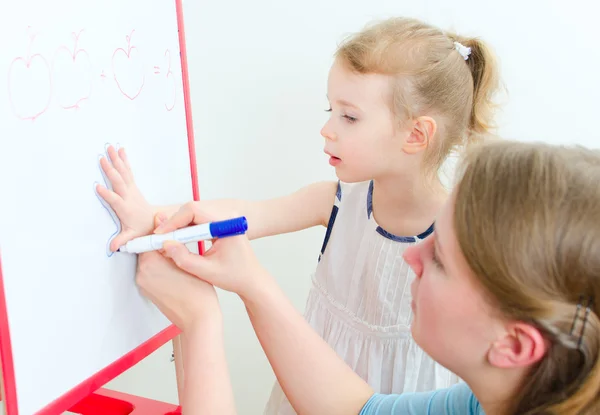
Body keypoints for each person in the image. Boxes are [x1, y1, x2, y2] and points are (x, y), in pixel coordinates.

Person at [95, 16, 501, 413]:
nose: (327, 129)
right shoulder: (338, 202)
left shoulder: (463, 241)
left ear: (416, 135)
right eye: (331, 110)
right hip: (307, 392)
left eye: (350, 116)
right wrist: (149, 215)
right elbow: (245, 215)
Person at [137, 139, 600, 414]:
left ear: (515, 346)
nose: (411, 257)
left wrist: (200, 324)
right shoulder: (492, 399)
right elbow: (357, 409)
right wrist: (252, 285)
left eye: (440, 260)